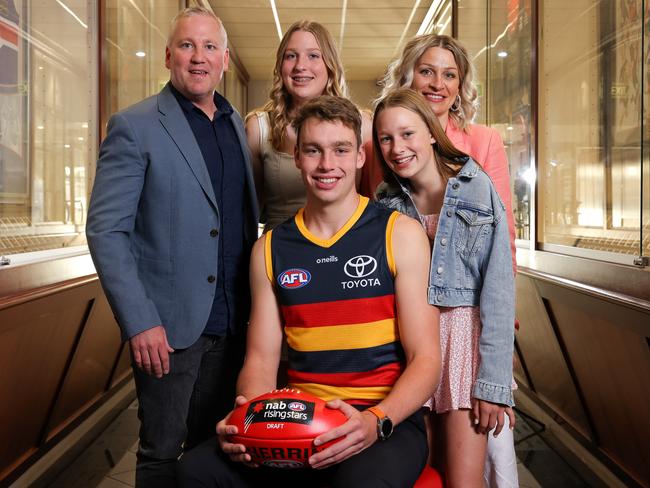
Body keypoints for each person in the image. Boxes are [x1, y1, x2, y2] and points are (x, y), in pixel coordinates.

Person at [177, 95, 440, 488]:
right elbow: (262, 362)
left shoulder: (400, 233)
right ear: (296, 157)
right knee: (194, 472)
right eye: (313, 150)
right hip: (300, 422)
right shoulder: (269, 249)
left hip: (383, 421)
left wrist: (375, 421)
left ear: (359, 158)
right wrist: (248, 418)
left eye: (340, 150)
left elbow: (427, 360)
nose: (327, 164)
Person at [86, 7, 258, 488]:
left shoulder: (234, 124)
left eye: (209, 48)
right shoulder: (135, 126)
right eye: (187, 46)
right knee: (161, 453)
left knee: (216, 452)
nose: (198, 58)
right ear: (168, 56)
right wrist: (140, 321)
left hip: (232, 321)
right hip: (168, 332)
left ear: (224, 59)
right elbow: (106, 230)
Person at [379, 34, 520, 487]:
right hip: (405, 343)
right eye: (387, 138)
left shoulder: (475, 182)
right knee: (420, 477)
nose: (398, 146)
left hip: (463, 343)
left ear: (430, 131)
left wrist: (495, 381)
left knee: (465, 477)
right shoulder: (384, 200)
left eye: (408, 135)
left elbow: (497, 284)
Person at [245, 20, 373, 232]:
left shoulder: (362, 125)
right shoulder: (259, 128)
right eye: (291, 56)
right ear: (280, 65)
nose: (300, 66)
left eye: (313, 55)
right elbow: (253, 209)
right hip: (281, 248)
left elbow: (372, 200)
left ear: (329, 64)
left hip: (346, 244)